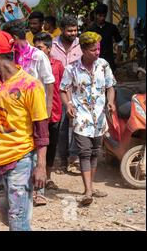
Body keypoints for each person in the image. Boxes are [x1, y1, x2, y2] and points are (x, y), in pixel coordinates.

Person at [0, 30, 49, 231]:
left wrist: (41, 166)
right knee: (5, 213)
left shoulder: (31, 86)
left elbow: (41, 130)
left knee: (18, 219)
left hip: (21, 160)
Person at [60, 31, 116, 206]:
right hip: (81, 117)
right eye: (93, 50)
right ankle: (88, 191)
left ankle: (90, 187)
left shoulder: (104, 65)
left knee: (94, 152)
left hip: (99, 117)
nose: (97, 52)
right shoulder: (72, 68)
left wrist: (111, 102)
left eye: (98, 49)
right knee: (84, 152)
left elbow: (110, 86)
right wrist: (68, 104)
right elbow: (64, 89)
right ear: (83, 50)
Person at [50, 15, 82, 174]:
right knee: (61, 127)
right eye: (69, 30)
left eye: (75, 30)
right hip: (59, 92)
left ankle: (74, 158)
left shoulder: (82, 44)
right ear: (62, 30)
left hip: (79, 92)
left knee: (78, 125)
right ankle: (61, 159)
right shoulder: (53, 44)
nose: (73, 33)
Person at [33, 32, 64, 192]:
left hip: (54, 111)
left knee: (51, 145)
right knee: (37, 143)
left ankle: (48, 176)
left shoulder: (58, 65)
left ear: (49, 49)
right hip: (37, 112)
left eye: (40, 48)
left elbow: (63, 87)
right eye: (35, 48)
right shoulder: (31, 64)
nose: (37, 51)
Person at [89, 3, 123, 71]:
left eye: (104, 16)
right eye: (100, 16)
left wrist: (118, 58)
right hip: (95, 61)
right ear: (95, 15)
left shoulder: (112, 27)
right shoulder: (91, 29)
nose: (102, 18)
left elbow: (120, 42)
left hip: (109, 61)